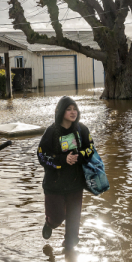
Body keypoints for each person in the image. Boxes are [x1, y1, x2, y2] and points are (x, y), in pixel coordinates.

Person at [37, 96, 95, 249]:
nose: (73, 112)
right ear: (61, 111)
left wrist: (79, 155)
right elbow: (42, 155)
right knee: (58, 217)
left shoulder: (82, 129)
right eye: (69, 109)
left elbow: (90, 149)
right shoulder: (51, 132)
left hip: (76, 184)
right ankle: (50, 223)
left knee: (74, 223)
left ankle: (70, 254)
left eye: (75, 109)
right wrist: (63, 160)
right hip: (55, 184)